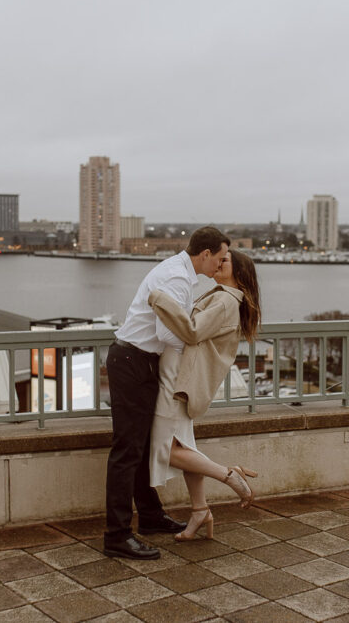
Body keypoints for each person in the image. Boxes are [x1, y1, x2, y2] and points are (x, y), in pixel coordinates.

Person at [103, 226, 231, 560]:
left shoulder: (181, 275)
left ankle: (149, 517)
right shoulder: (176, 279)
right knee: (127, 450)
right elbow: (168, 331)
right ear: (204, 254)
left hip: (139, 361)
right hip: (133, 361)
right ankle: (116, 536)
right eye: (218, 258)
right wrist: (196, 341)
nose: (220, 265)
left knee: (141, 447)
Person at [147, 249, 262, 541]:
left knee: (166, 450)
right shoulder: (223, 296)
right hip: (184, 381)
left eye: (225, 261)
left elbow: (193, 332)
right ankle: (200, 510)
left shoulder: (224, 299)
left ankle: (227, 474)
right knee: (185, 448)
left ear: (238, 272)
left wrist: (159, 299)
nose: (217, 263)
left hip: (180, 382)